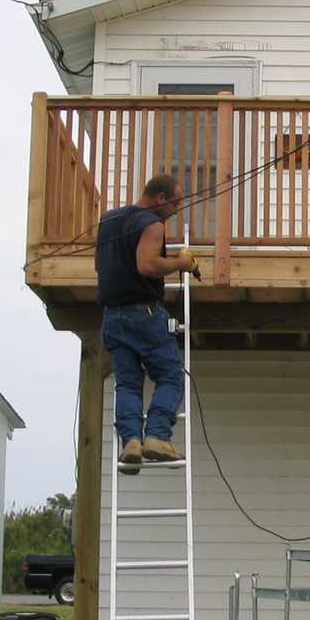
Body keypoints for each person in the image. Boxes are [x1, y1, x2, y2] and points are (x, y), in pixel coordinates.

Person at [95, 175, 199, 475]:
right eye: (176, 203)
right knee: (171, 376)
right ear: (160, 198)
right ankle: (156, 436)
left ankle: (131, 442)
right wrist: (181, 264)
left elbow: (99, 266)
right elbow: (148, 265)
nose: (177, 209)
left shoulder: (107, 221)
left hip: (112, 315)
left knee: (127, 382)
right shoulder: (151, 224)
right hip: (144, 314)